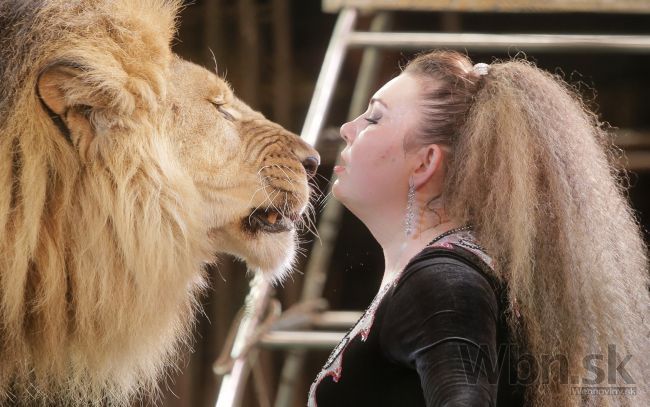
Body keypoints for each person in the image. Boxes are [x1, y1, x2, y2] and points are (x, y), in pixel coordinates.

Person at [308, 50, 649, 406]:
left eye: (374, 118)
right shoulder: (450, 272)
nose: (348, 129)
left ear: (425, 162)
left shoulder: (440, 283)